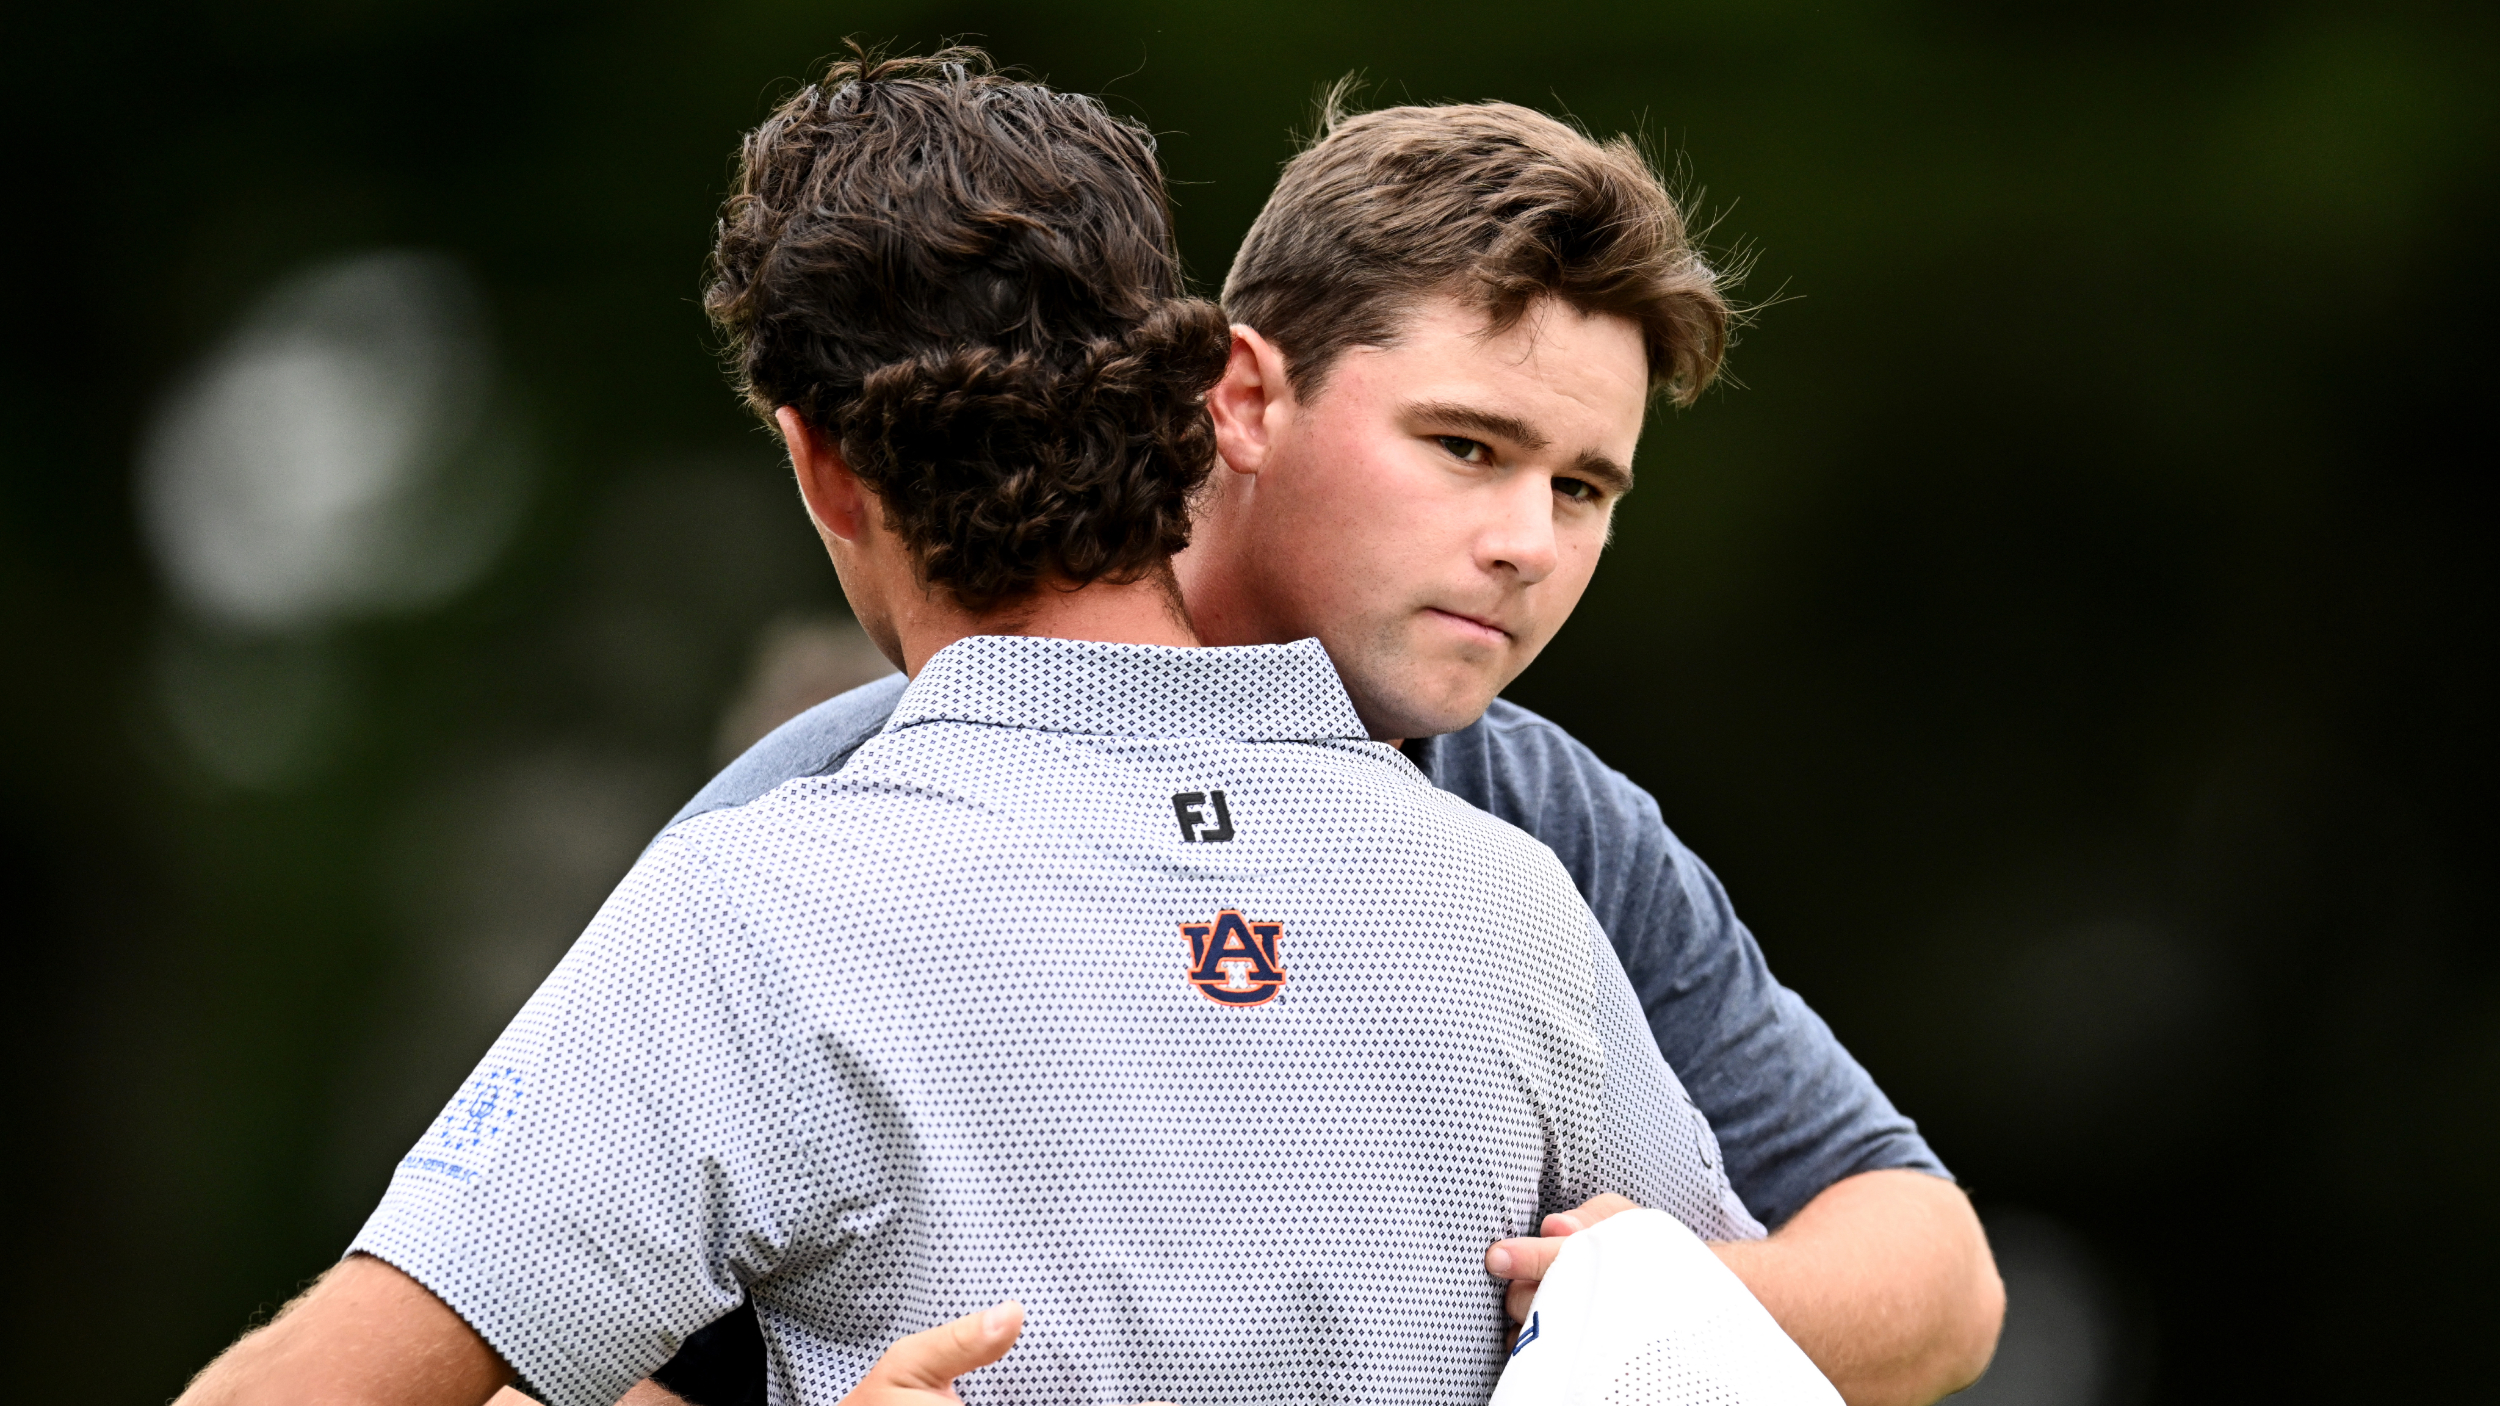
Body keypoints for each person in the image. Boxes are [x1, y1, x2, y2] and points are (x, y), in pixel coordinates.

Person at [175, 49, 1767, 1406]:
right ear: (1197, 398)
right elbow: (1731, 1351)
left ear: (822, 468)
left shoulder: (760, 914)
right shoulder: (1515, 902)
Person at [632, 94, 2003, 1406]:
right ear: (1242, 397)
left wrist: (1645, 1297)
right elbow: (517, 1355)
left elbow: (1943, 1284)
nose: (1529, 541)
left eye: (1583, 487)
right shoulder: (826, 805)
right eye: (1467, 444)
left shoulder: (1545, 825)